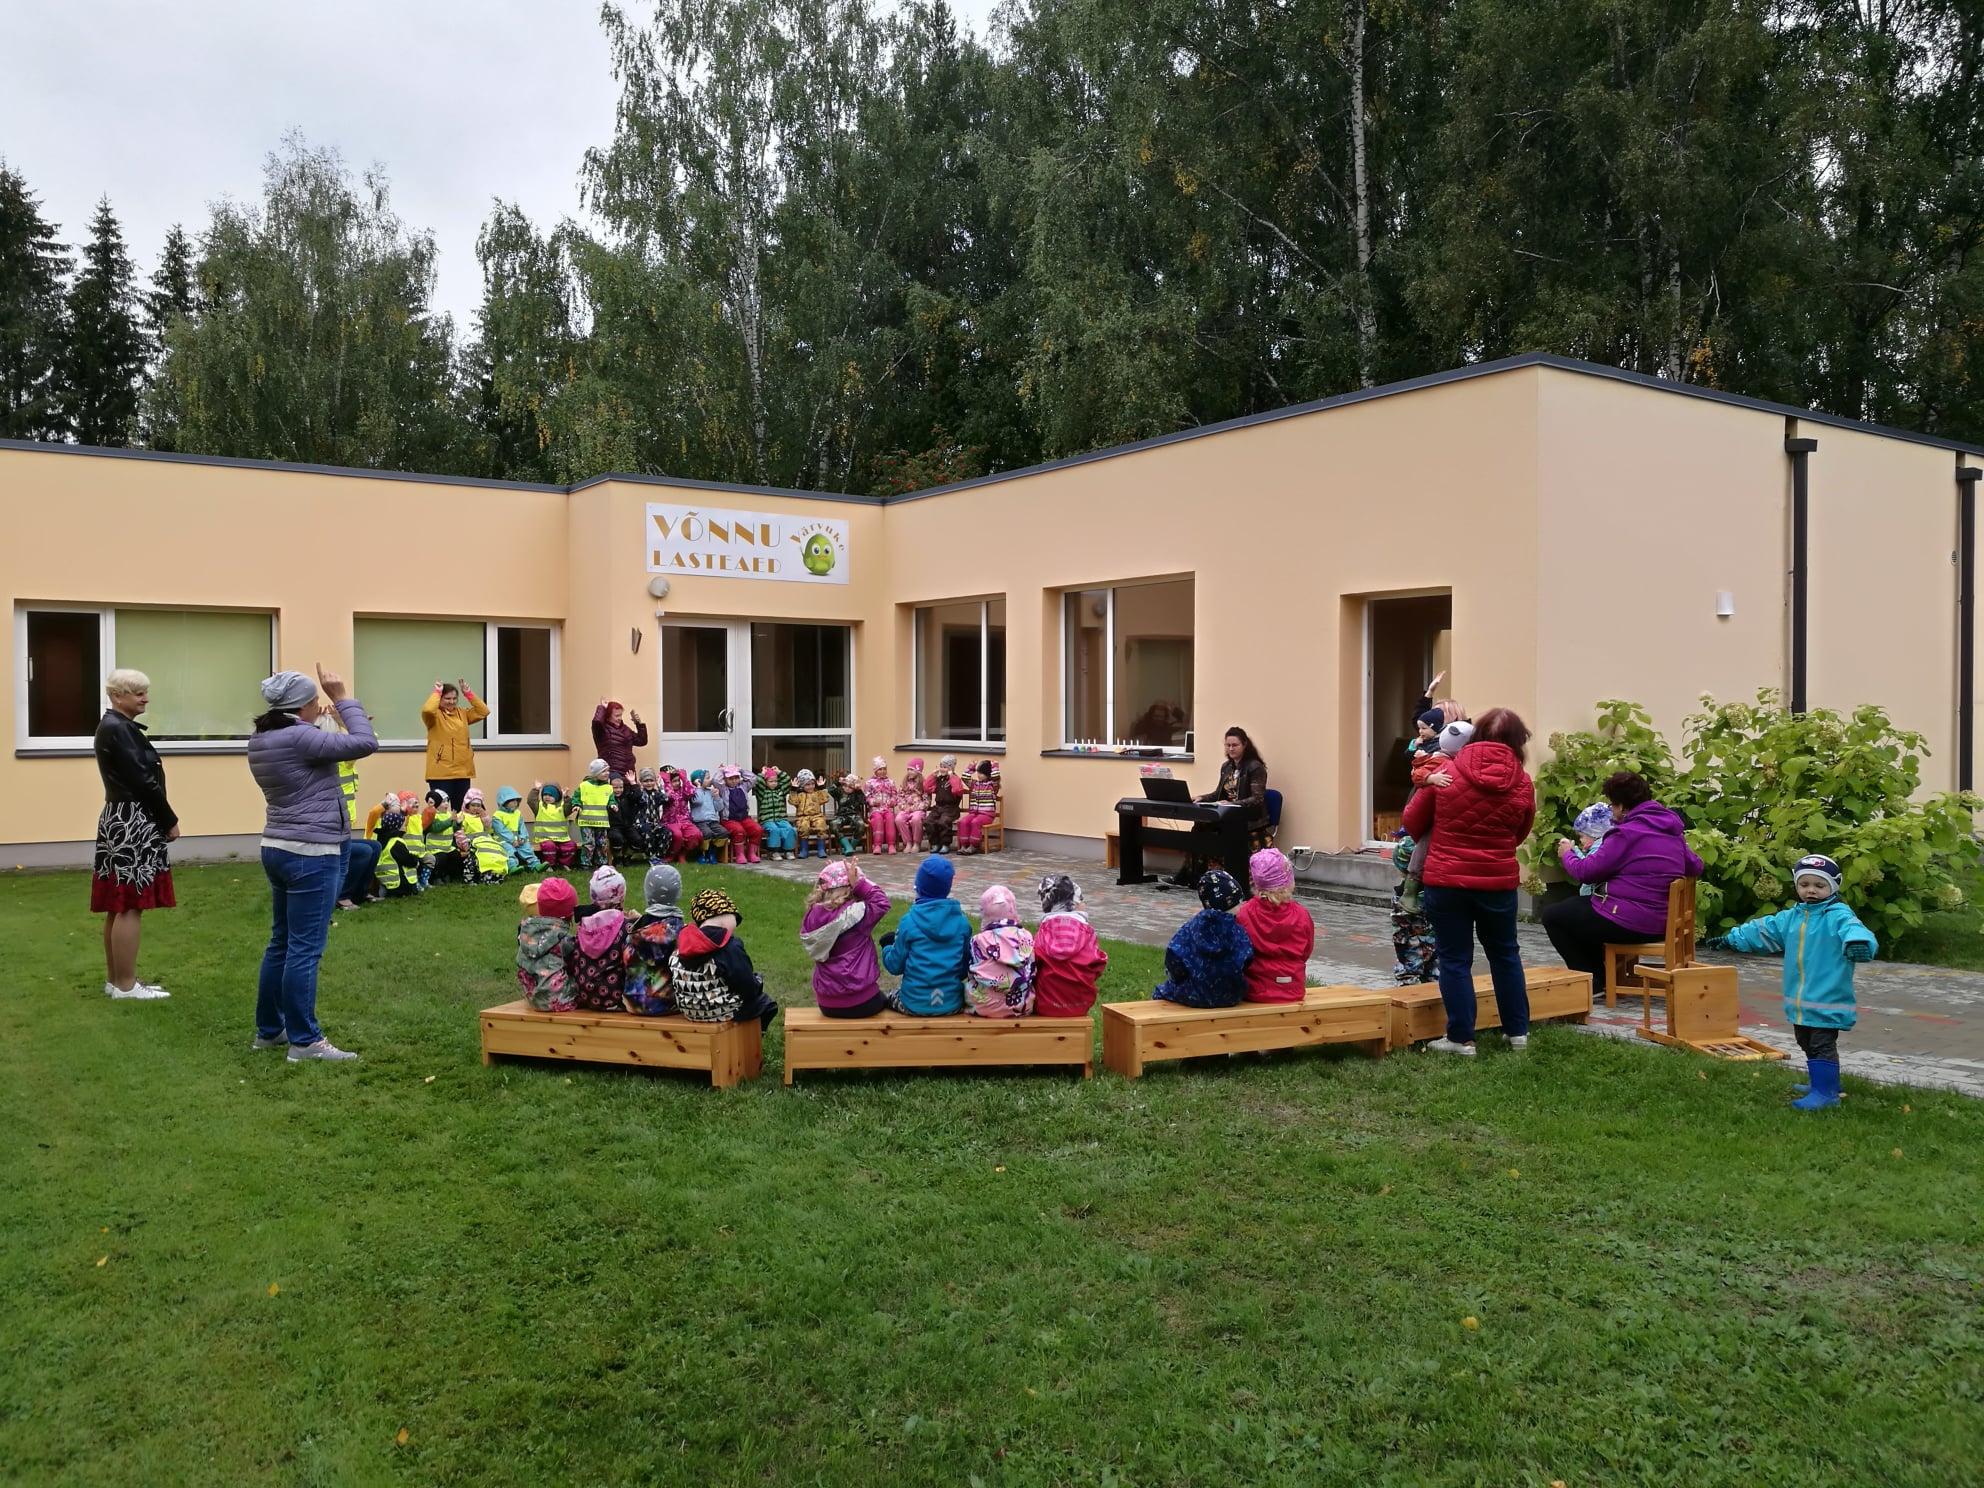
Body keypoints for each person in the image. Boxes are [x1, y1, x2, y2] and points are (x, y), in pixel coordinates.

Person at [246, 665, 378, 1062]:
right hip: (311, 852)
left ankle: (270, 1031)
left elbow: (316, 749)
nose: (319, 705)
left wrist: (325, 718)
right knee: (304, 948)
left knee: (282, 942)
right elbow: (365, 742)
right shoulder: (301, 737)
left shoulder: (265, 736)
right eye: (314, 700)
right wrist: (342, 698)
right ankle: (305, 1041)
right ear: (301, 704)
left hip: (278, 846)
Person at [1400, 707, 1535, 1056]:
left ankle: (1461, 1039)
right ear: (1517, 741)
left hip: (1447, 881)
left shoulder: (1446, 771)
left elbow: (1412, 821)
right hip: (1498, 882)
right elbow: (1521, 831)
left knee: (1455, 958)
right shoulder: (1522, 782)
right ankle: (1517, 1032)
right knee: (1505, 954)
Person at [1706, 854, 1876, 1111]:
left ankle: (1827, 1093)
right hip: (1800, 998)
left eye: (1819, 885)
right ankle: (1820, 1083)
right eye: (1804, 884)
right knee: (1805, 1040)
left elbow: (1855, 929)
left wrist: (1858, 943)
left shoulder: (1838, 915)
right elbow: (1765, 929)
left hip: (1828, 997)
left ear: (1834, 886)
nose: (1811, 891)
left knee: (1821, 1044)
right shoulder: (1794, 916)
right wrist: (1733, 939)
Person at [1542, 770, 1704, 1001]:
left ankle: (1595, 980)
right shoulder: (1672, 832)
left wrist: (1567, 854)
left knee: (1554, 916)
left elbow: (1585, 872)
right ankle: (1604, 977)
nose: (1612, 811)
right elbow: (1696, 866)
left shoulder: (1625, 834)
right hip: (1665, 922)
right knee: (1580, 909)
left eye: (1612, 805)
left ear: (1622, 806)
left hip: (1631, 922)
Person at [91, 668, 180, 999]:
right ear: (118, 696)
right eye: (138, 693)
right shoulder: (120, 729)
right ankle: (126, 986)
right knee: (129, 903)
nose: (145, 698)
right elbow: (143, 781)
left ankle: (117, 981)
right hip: (133, 819)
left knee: (119, 903)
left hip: (120, 816)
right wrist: (169, 819)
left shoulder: (114, 726)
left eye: (145, 692)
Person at [1175, 727, 1271, 888]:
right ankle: (1193, 875)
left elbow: (1257, 799)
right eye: (1228, 745)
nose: (1231, 749)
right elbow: (1218, 793)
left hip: (1248, 818)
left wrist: (1233, 803)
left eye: (1235, 745)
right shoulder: (1227, 767)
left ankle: (1221, 876)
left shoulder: (1255, 767)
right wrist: (1202, 797)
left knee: (1212, 829)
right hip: (1228, 814)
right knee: (1200, 826)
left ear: (1245, 745)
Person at [671, 888, 779, 1027]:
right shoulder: (729, 947)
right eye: (735, 919)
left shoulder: (683, 942)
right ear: (725, 916)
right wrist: (757, 983)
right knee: (766, 1004)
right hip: (722, 1012)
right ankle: (752, 1036)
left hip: (689, 1010)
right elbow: (746, 985)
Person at [880, 855, 973, 1015]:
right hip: (951, 1004)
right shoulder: (962, 923)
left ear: (918, 887)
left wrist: (887, 946)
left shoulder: (909, 922)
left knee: (885, 997)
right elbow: (965, 967)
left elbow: (895, 966)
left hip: (913, 1004)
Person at [800, 859, 894, 1017]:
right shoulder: (857, 914)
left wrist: (831, 874)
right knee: (889, 1000)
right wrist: (860, 884)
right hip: (862, 1001)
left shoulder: (812, 915)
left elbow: (830, 907)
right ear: (850, 888)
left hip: (827, 1004)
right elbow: (881, 902)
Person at [1399, 720, 1474, 911]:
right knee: (1423, 848)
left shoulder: (1447, 760)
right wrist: (1431, 778)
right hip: (1432, 819)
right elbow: (1417, 774)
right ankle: (1409, 891)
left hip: (1438, 821)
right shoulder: (1440, 761)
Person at [1153, 868, 1255, 1008]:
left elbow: (1174, 956)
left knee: (1162, 990)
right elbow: (1248, 958)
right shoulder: (1237, 931)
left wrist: (1178, 977)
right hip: (1231, 994)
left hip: (1194, 993)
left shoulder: (1191, 928)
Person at [318, 705, 381, 910]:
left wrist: (347, 724)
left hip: (344, 817)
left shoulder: (339, 754)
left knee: (374, 847)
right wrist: (347, 723)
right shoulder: (336, 756)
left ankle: (360, 894)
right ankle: (342, 896)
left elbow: (367, 743)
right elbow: (364, 744)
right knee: (361, 852)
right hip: (332, 821)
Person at [1234, 849, 1314, 1002]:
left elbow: (1238, 952)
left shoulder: (1244, 913)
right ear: (1289, 880)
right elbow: (1306, 951)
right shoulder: (1302, 915)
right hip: (1292, 988)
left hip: (1254, 990)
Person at [1032, 873, 1108, 1017]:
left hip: (1045, 1004)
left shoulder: (1042, 933)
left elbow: (1032, 964)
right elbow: (1098, 963)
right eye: (1082, 899)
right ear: (1074, 903)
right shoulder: (1087, 933)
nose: (1084, 904)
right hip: (1081, 1003)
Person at [967, 884, 1037, 1017]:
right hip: (1022, 1005)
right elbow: (1032, 969)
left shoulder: (978, 940)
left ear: (985, 913)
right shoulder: (1026, 937)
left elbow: (970, 972)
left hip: (984, 1006)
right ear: (1013, 909)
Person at [569, 867, 633, 1012]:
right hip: (616, 997)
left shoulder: (584, 925)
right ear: (622, 895)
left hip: (586, 996)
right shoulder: (626, 926)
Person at [420, 679, 488, 809]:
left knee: (461, 811)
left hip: (463, 770)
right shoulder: (434, 717)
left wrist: (468, 694)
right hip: (441, 772)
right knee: (440, 810)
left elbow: (483, 711)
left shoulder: (463, 713)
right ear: (440, 699)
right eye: (447, 698)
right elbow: (428, 710)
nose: (451, 701)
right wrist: (437, 692)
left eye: (454, 698)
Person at [517, 878, 578, 1012]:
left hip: (532, 997)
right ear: (570, 913)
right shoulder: (563, 939)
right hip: (561, 999)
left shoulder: (526, 933)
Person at [1388, 836, 1436, 986]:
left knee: (1408, 985)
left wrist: (1402, 956)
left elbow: (1400, 935)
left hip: (1412, 958)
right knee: (1436, 981)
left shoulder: (1403, 898)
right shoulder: (1436, 892)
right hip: (1437, 953)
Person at [591, 698, 649, 780]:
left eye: (621, 715)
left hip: (629, 774)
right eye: (616, 716)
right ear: (608, 715)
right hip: (612, 774)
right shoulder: (602, 730)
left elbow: (642, 741)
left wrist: (638, 724)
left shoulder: (625, 729)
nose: (620, 718)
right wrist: (602, 707)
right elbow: (596, 722)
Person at [459, 790, 509, 883]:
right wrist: (465, 845)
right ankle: (475, 876)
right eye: (473, 805)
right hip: (471, 843)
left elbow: (489, 830)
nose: (476, 808)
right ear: (467, 805)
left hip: (485, 842)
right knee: (477, 857)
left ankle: (494, 872)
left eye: (478, 805)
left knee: (495, 853)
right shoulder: (462, 816)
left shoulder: (481, 816)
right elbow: (459, 833)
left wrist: (485, 818)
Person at [421, 788, 469, 885]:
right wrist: (450, 820)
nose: (446, 804)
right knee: (441, 859)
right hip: (435, 848)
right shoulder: (432, 815)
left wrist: (458, 823)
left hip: (447, 847)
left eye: (447, 801)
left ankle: (451, 875)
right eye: (443, 802)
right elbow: (436, 828)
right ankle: (437, 877)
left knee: (455, 855)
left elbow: (453, 829)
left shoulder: (448, 814)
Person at [573, 758, 614, 868]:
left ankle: (601, 863)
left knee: (602, 843)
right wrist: (576, 805)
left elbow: (611, 799)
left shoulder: (608, 787)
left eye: (608, 770)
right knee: (589, 843)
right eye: (604, 771)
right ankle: (585, 863)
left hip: (602, 822)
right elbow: (576, 797)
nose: (607, 773)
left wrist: (612, 804)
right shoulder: (584, 785)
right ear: (596, 773)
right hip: (586, 821)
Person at [720, 765, 766, 864]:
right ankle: (740, 854)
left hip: (744, 818)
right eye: (730, 779)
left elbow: (753, 778)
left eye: (736, 778)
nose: (734, 781)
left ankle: (751, 853)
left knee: (757, 829)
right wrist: (721, 771)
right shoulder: (723, 789)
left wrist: (740, 770)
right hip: (729, 820)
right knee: (739, 831)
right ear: (725, 779)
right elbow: (715, 781)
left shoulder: (743, 786)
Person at [491, 787, 543, 874]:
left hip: (517, 839)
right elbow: (501, 831)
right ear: (504, 802)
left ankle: (535, 865)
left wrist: (522, 838)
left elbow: (522, 827)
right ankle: (512, 866)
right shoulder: (497, 816)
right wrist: (512, 840)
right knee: (508, 850)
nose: (515, 802)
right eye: (512, 800)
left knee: (526, 847)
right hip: (503, 840)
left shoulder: (517, 813)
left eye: (516, 800)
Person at [1566, 803, 1613, 896]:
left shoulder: (1598, 848)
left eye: (1582, 836)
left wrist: (1573, 850)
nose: (1580, 840)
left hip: (1591, 895)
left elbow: (1586, 867)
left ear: (1593, 834)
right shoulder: (1604, 844)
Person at [527, 780, 577, 869]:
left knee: (571, 845)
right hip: (545, 838)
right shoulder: (539, 807)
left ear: (557, 796)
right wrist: (536, 789)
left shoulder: (562, 807)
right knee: (549, 847)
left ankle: (564, 864)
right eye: (545, 794)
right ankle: (549, 864)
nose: (547, 797)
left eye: (550, 795)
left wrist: (566, 797)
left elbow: (569, 807)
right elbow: (531, 801)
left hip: (562, 838)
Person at [753, 765, 797, 860]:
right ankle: (773, 851)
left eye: (775, 781)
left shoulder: (781, 791)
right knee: (774, 829)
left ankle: (788, 851)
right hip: (767, 820)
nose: (774, 783)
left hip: (781, 819)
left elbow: (787, 780)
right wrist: (762, 774)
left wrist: (779, 772)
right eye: (771, 781)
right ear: (765, 782)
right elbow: (758, 781)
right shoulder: (762, 792)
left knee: (789, 828)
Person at [958, 760, 1001, 855]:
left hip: (987, 815)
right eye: (978, 773)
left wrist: (994, 766)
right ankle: (964, 845)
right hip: (974, 813)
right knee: (963, 821)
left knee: (975, 822)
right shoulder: (974, 784)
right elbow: (964, 777)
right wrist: (972, 766)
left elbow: (996, 777)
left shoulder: (992, 786)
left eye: (981, 773)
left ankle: (974, 845)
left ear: (988, 774)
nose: (979, 775)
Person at [925, 755, 967, 854]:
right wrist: (933, 775)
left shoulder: (955, 779)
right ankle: (935, 843)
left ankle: (945, 844)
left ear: (951, 768)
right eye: (941, 766)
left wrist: (951, 776)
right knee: (928, 821)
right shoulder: (939, 779)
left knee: (943, 822)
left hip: (951, 808)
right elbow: (927, 788)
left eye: (945, 767)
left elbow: (957, 790)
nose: (942, 769)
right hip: (938, 807)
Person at [790, 769, 831, 858]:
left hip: (817, 815)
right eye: (807, 784)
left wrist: (822, 788)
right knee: (803, 827)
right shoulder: (800, 795)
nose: (811, 786)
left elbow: (825, 799)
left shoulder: (817, 793)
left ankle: (821, 849)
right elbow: (793, 801)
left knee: (821, 824)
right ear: (802, 785)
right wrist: (793, 790)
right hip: (803, 817)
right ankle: (804, 850)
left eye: (812, 784)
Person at [894, 759, 930, 854]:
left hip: (918, 810)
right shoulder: (905, 782)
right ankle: (908, 842)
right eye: (908, 769)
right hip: (906, 809)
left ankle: (916, 843)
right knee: (898, 819)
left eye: (912, 769)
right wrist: (903, 806)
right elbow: (899, 797)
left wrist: (916, 808)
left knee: (916, 819)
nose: (909, 771)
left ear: (918, 771)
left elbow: (926, 801)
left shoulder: (924, 783)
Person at [865, 757, 900, 853]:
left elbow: (895, 795)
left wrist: (892, 801)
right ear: (875, 770)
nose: (883, 771)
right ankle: (877, 845)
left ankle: (891, 844)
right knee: (878, 819)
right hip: (875, 810)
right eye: (880, 769)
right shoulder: (869, 783)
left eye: (884, 769)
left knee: (890, 818)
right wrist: (873, 802)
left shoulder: (890, 782)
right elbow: (867, 797)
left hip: (887, 809)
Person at [688, 770, 724, 861]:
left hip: (712, 820)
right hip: (700, 821)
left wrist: (716, 797)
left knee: (723, 832)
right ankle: (700, 853)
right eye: (707, 778)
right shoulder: (693, 792)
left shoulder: (710, 792)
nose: (710, 780)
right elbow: (698, 801)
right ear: (699, 780)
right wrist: (698, 787)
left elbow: (719, 808)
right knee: (707, 833)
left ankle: (712, 851)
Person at [829, 771, 867, 856]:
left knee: (861, 825)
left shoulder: (857, 793)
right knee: (833, 824)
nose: (847, 788)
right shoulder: (840, 792)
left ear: (854, 787)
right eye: (845, 785)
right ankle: (847, 845)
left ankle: (851, 846)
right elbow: (830, 790)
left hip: (854, 815)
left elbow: (863, 801)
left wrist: (859, 790)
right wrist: (838, 783)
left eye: (850, 787)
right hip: (842, 815)